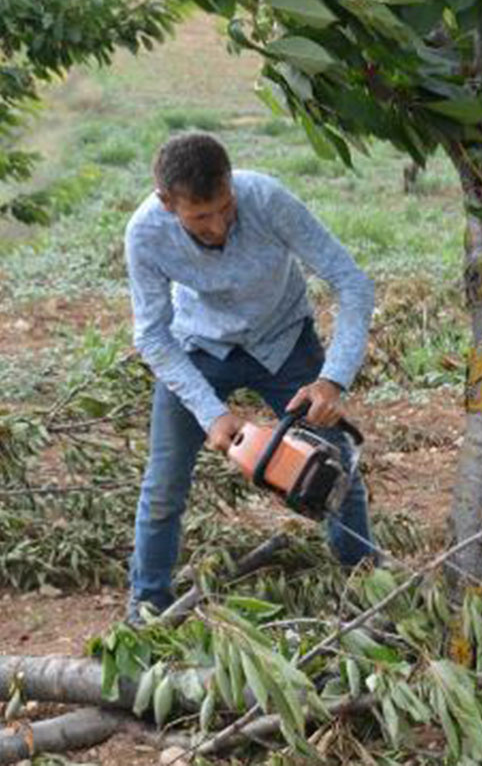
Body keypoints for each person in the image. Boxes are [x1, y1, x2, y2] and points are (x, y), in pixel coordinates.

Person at [123, 132, 377, 622]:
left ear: (231, 184)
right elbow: (153, 336)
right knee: (164, 484)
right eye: (200, 217)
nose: (218, 225)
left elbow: (352, 282)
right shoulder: (145, 233)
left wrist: (332, 381)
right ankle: (148, 602)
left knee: (335, 465)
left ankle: (364, 579)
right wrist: (210, 412)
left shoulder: (266, 199)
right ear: (167, 203)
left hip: (284, 340)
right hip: (198, 347)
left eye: (224, 207)